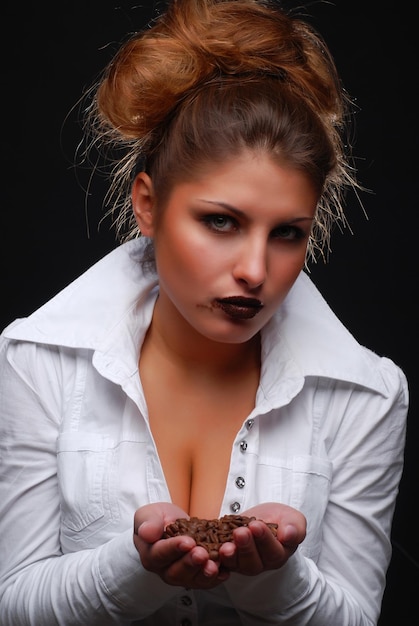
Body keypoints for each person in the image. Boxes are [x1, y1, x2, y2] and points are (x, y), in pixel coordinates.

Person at [0, 0, 408, 624]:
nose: (253, 269)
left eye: (287, 233)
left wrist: (272, 577)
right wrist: (134, 568)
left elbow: (357, 616)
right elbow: (14, 600)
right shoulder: (37, 361)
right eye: (221, 221)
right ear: (148, 205)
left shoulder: (366, 395)